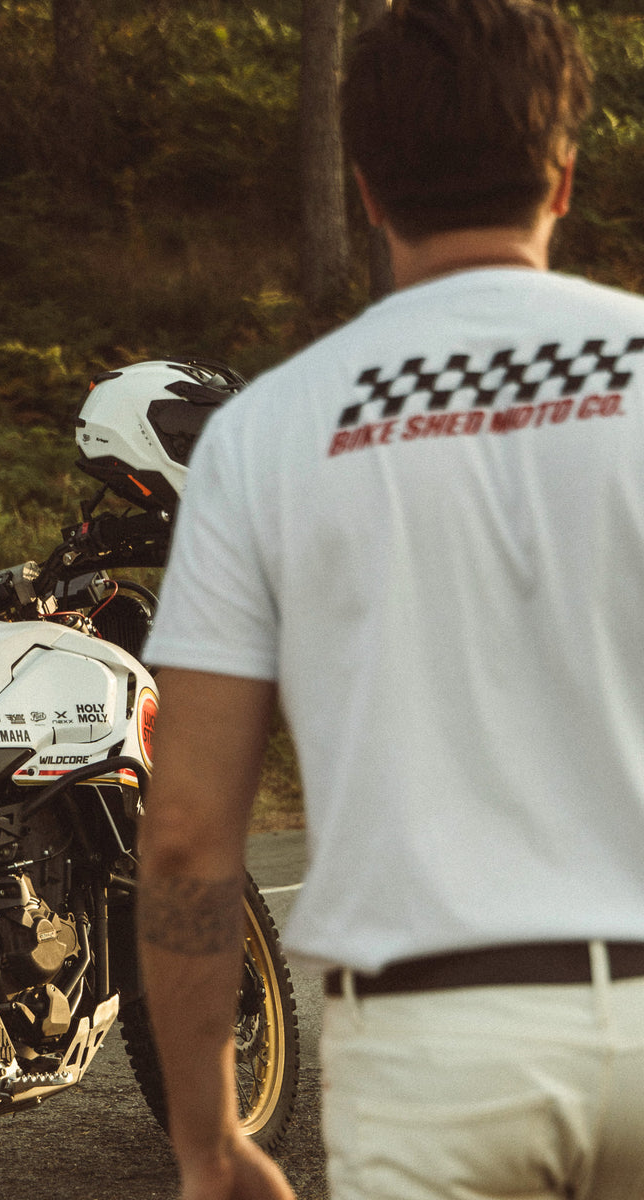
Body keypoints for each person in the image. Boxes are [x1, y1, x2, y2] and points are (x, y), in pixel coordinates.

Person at [136, 1, 644, 1197]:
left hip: (435, 1055)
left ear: (365, 187)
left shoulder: (265, 437)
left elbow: (191, 836)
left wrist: (208, 1139)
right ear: (562, 176)